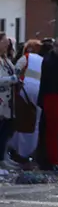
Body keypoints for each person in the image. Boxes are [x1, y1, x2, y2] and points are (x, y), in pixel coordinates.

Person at [38, 34, 58, 171]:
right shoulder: (56, 60)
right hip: (54, 96)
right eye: (56, 46)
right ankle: (55, 159)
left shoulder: (51, 59)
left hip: (55, 96)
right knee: (56, 129)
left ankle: (57, 159)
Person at [0, 34, 17, 168]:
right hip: (1, 99)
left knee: (7, 128)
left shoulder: (5, 59)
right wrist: (12, 80)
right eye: (4, 43)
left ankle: (4, 156)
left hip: (9, 101)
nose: (6, 46)